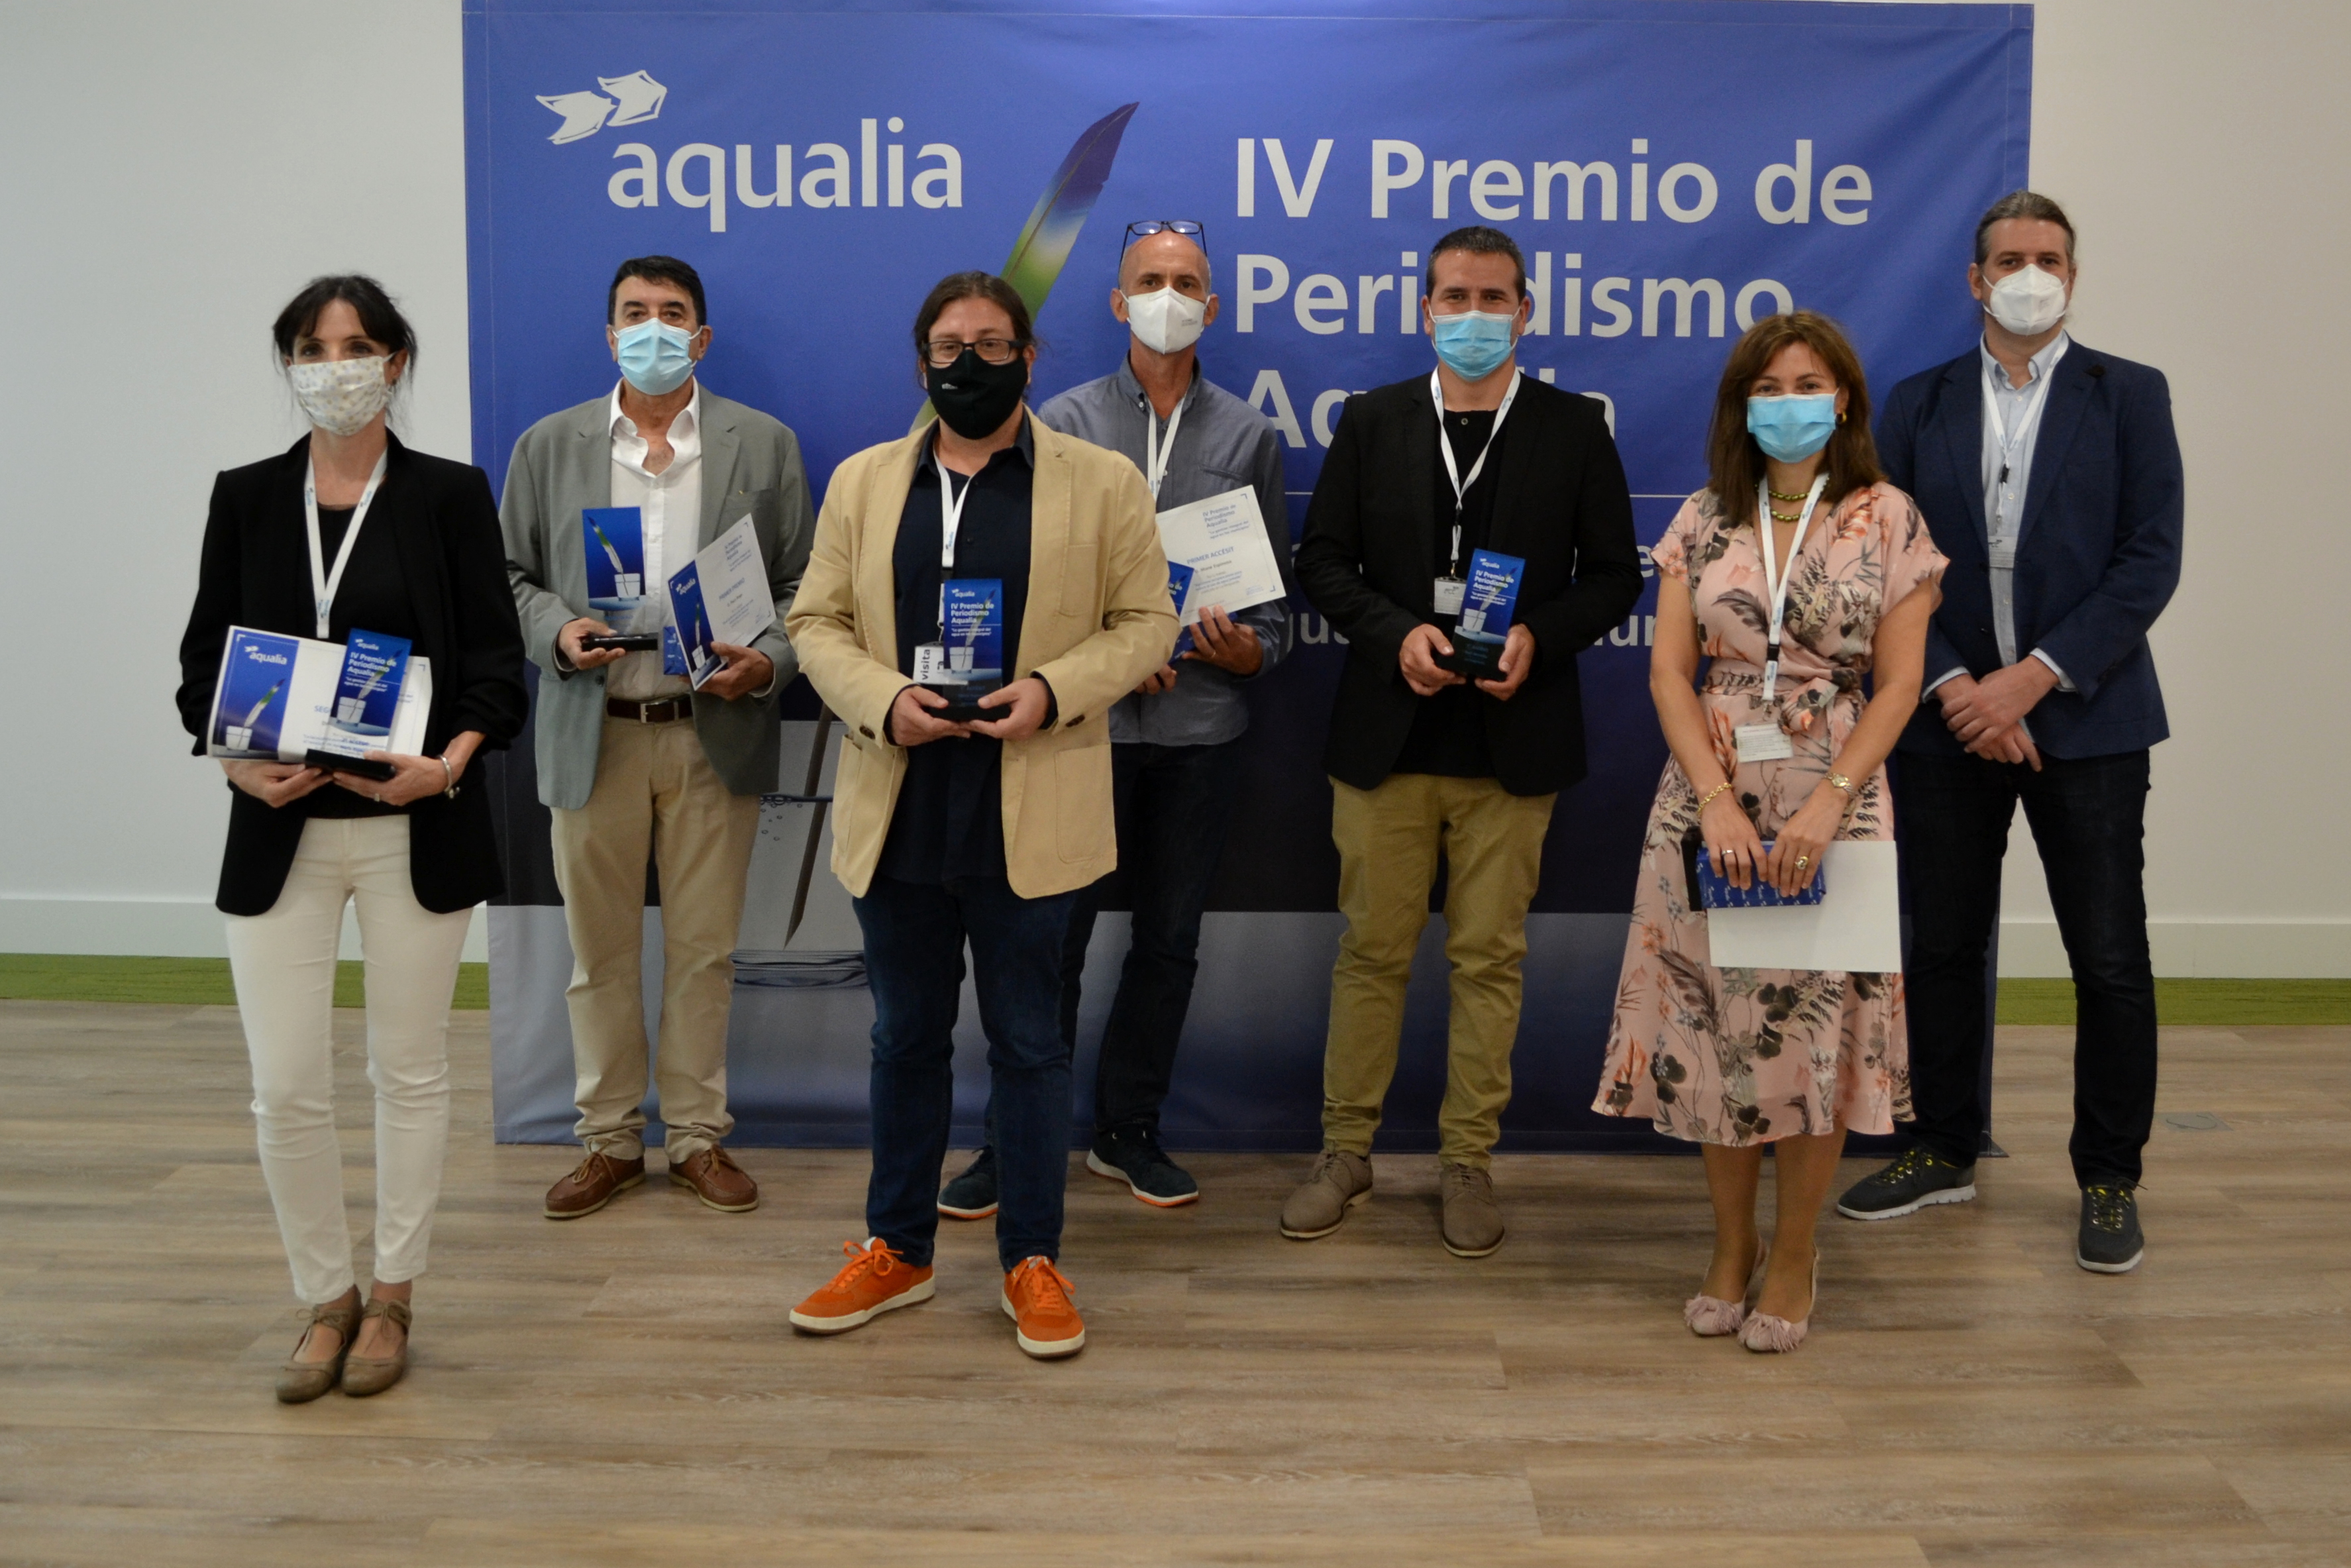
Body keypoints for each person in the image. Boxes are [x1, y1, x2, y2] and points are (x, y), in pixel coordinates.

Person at [784, 272, 1175, 1359]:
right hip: (902, 799)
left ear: (1029, 358)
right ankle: (897, 1250)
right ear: (920, 363)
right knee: (903, 1039)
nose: (969, 362)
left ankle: (1032, 1259)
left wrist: (1052, 689)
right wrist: (882, 700)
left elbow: (1147, 622)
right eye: (949, 346)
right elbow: (814, 621)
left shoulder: (1101, 481)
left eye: (992, 344)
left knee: (1031, 1045)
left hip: (1031, 800)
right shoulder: (864, 482)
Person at [176, 276, 528, 1400]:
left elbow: (494, 668)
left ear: (396, 362)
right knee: (285, 1085)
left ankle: (393, 1295)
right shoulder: (245, 497)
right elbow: (203, 667)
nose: (337, 367)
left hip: (409, 824)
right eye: (314, 348)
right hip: (278, 828)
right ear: (289, 364)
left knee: (408, 1073)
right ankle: (324, 1299)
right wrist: (235, 762)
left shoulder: (447, 494)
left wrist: (449, 765)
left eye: (358, 345)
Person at [1837, 192, 2183, 1274]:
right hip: (1947, 722)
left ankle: (2109, 1177)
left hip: (2087, 716)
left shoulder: (2129, 394)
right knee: (1941, 944)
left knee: (2109, 958)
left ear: (2070, 276)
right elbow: (1886, 557)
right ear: (1974, 279)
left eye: (2049, 258)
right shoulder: (1918, 400)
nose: (2030, 275)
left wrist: (2028, 682)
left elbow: (2148, 559)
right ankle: (1942, 1146)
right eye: (2010, 259)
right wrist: (1956, 688)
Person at [1593, 311, 1945, 1352]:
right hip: (1710, 797)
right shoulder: (1704, 515)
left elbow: (1899, 685)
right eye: (1767, 386)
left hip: (1839, 792)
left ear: (1843, 399)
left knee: (1812, 1041)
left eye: (1807, 383)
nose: (1787, 402)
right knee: (1714, 1031)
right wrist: (1710, 797)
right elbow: (1669, 673)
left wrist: (1831, 796)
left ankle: (1793, 1253)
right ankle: (1728, 1246)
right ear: (1740, 405)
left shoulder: (1888, 517)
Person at [1288, 226, 1642, 1257]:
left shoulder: (1574, 427)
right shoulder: (1372, 419)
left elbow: (1613, 576)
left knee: (1489, 960)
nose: (1473, 316)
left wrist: (1539, 635)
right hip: (1385, 739)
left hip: (1512, 742)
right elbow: (1323, 560)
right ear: (1425, 310)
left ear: (1525, 311)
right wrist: (1394, 634)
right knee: (1370, 954)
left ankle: (1466, 1161)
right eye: (1455, 297)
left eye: (1493, 299)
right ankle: (1344, 1151)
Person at [931, 221, 1292, 1218]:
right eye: (1150, 280)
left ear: (1211, 305)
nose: (1168, 296)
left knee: (1168, 943)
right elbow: (1029, 587)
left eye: (1186, 282)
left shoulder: (1248, 436)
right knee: (1045, 942)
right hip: (1079, 730)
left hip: (1199, 735)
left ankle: (1129, 1131)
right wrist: (1114, 657)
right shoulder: (1061, 422)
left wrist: (1242, 650)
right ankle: (1012, 1140)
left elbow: (1272, 621)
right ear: (1117, 301)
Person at [501, 256, 815, 1222]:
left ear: (701, 338)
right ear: (609, 336)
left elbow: (807, 586)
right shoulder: (549, 445)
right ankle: (606, 1141)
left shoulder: (762, 444)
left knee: (703, 953)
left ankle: (695, 1138)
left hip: (709, 729)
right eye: (634, 313)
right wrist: (557, 632)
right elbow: (507, 577)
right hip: (593, 732)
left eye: (671, 314)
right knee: (597, 956)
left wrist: (768, 661)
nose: (652, 329)